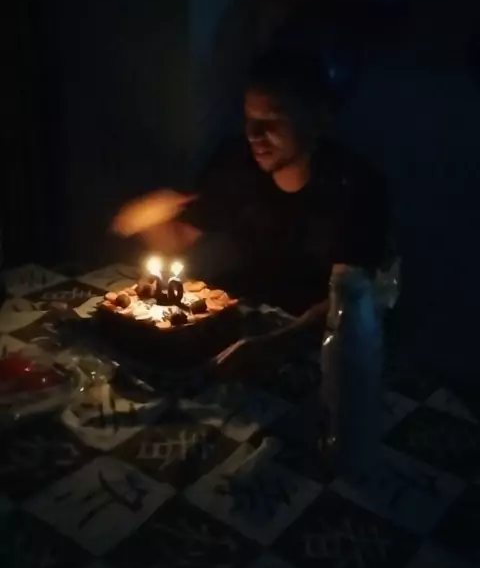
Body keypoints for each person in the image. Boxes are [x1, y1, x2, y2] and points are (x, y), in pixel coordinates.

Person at [112, 50, 390, 376]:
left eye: (272, 121)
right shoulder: (235, 163)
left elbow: (352, 303)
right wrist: (149, 220)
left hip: (320, 350)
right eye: (249, 119)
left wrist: (276, 345)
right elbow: (178, 240)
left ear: (316, 119)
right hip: (239, 333)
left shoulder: (355, 186)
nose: (254, 135)